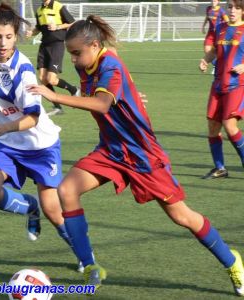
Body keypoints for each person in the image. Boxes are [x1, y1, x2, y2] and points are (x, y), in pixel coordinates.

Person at [27, 15, 244, 295]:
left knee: (182, 217)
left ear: (94, 45)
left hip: (142, 155)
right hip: (111, 150)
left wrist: (54, 96)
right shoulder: (88, 63)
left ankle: (232, 261)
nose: (74, 60)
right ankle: (91, 265)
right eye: (70, 54)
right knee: (67, 190)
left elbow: (102, 104)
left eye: (77, 53)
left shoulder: (110, 63)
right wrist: (129, 95)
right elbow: (105, 94)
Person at [0, 2, 83, 273]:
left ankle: (82, 254)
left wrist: (4, 127)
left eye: (8, 37)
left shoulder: (25, 70)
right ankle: (29, 206)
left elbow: (33, 118)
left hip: (40, 144)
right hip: (9, 145)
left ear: (16, 37)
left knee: (54, 211)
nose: (3, 43)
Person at [199, 0, 244, 179]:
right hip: (218, 84)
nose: (232, 10)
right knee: (213, 126)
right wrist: (205, 60)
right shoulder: (221, 27)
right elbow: (214, 52)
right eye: (231, 7)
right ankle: (220, 168)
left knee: (229, 125)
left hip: (238, 84)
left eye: (237, 8)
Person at [26, 0, 79, 116]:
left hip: (57, 44)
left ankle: (73, 89)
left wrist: (58, 26)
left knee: (51, 79)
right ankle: (57, 107)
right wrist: (31, 33)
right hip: (44, 45)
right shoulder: (39, 10)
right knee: (42, 78)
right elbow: (39, 27)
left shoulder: (58, 6)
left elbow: (72, 22)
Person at [202, 0, 229, 74]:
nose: (213, 2)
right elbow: (207, 18)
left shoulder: (221, 11)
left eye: (215, 1)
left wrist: (224, 29)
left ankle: (218, 67)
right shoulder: (208, 9)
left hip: (218, 34)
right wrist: (203, 26)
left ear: (218, 2)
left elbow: (227, 21)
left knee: (219, 51)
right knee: (207, 50)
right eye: (212, 1)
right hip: (210, 33)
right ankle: (216, 65)